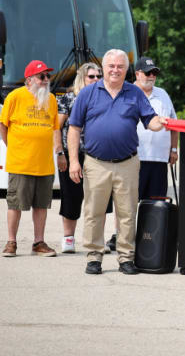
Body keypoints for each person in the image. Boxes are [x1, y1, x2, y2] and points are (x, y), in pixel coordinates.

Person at [68, 49, 169, 275]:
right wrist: (74, 161)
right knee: (94, 212)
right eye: (111, 66)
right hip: (95, 163)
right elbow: (74, 128)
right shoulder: (88, 93)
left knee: (127, 213)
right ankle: (94, 257)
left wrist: (159, 121)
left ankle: (126, 258)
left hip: (127, 163)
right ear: (104, 68)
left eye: (120, 66)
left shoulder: (135, 93)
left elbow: (149, 120)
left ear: (126, 70)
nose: (115, 70)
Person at [0, 60, 60, 257]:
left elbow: (55, 128)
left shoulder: (51, 99)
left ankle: (39, 243)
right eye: (41, 76)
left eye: (47, 76)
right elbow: (3, 125)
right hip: (21, 162)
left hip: (44, 163)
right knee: (15, 204)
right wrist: (14, 147)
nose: (46, 80)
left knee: (42, 205)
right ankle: (11, 242)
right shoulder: (15, 96)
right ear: (29, 80)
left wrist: (59, 153)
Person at [56, 62, 114, 253]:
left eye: (99, 76)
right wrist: (60, 153)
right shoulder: (68, 98)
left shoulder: (104, 98)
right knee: (71, 196)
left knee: (100, 199)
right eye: (92, 76)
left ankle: (98, 240)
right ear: (82, 77)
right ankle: (68, 238)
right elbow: (56, 127)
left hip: (99, 155)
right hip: (73, 154)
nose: (96, 80)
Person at [134, 56, 178, 200]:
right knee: (129, 206)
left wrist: (173, 149)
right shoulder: (127, 92)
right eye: (148, 73)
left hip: (159, 159)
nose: (152, 76)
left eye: (154, 73)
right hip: (134, 159)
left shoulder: (163, 94)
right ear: (137, 74)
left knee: (156, 206)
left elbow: (174, 124)